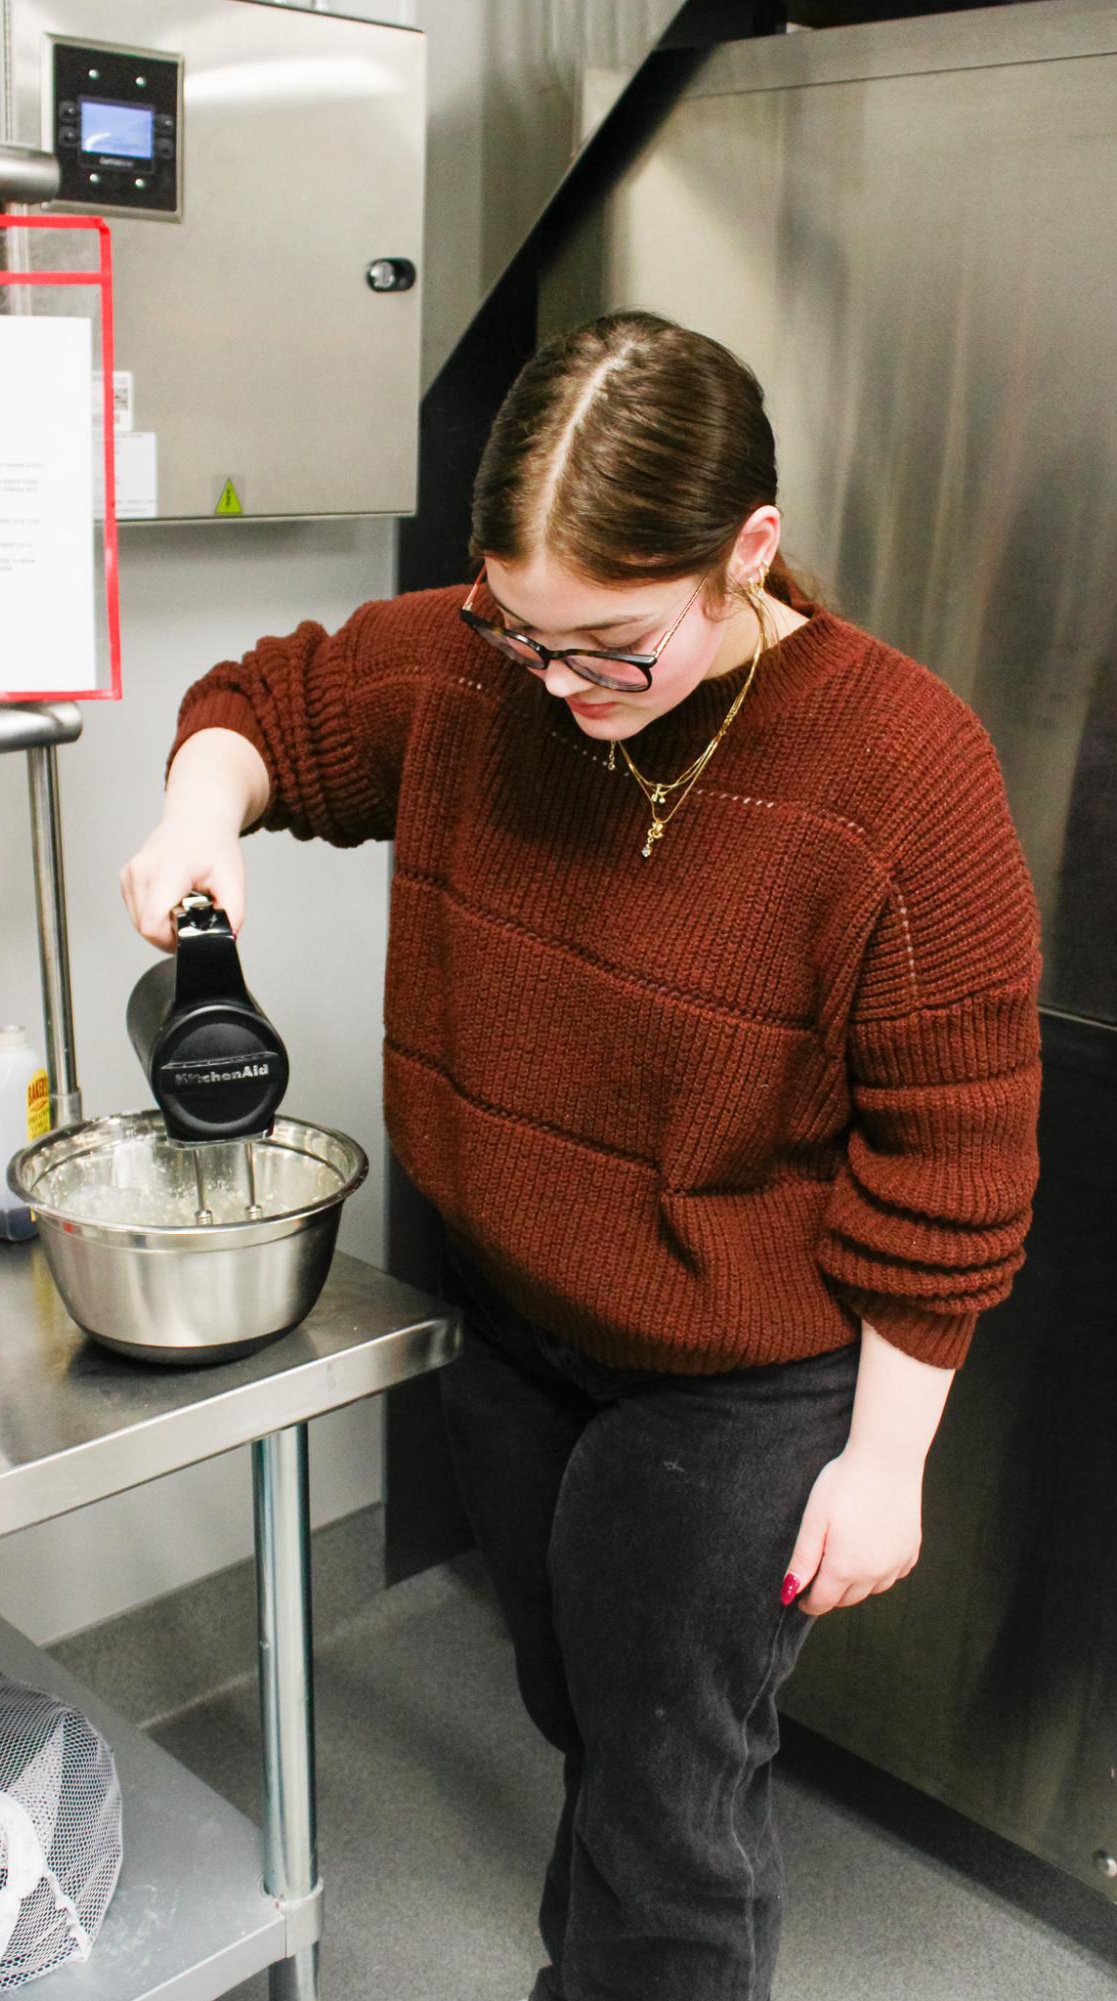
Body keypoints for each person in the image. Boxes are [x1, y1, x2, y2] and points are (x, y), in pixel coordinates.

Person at [121, 312, 1043, 2001]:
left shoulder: (902, 772)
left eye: (608, 644)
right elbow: (275, 701)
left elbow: (958, 1151)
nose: (552, 684)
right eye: (517, 630)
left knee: (668, 1796)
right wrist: (200, 810)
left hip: (737, 1373)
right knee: (583, 1706)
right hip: (520, 1319)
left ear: (745, 550)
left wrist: (886, 1459)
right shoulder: (483, 663)